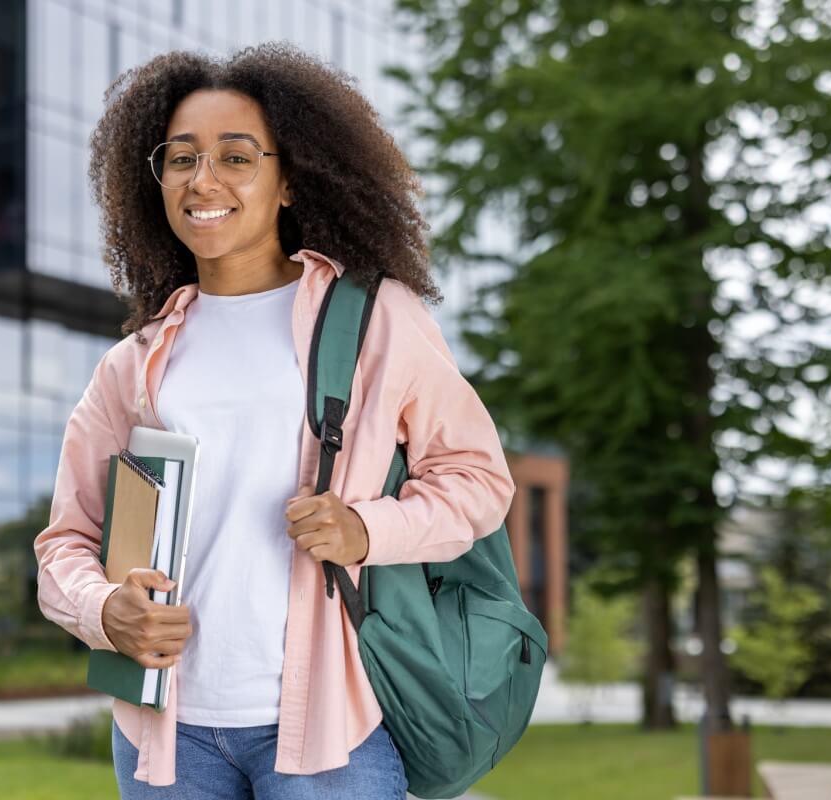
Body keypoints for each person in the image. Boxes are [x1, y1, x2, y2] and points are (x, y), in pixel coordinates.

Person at [33, 42, 515, 798]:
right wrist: (103, 610)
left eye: (236, 157)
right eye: (182, 159)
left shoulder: (374, 320)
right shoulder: (133, 365)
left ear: (289, 180)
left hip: (331, 735)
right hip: (165, 740)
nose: (204, 180)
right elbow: (65, 541)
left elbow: (478, 479)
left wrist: (366, 530)